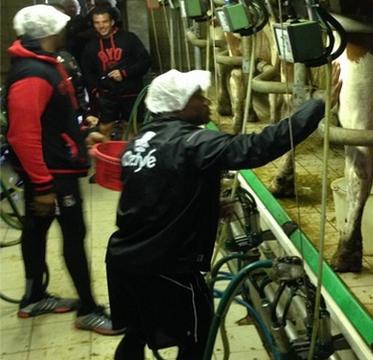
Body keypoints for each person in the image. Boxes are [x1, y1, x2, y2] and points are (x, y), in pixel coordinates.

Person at [105, 69, 340, 359]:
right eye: (198, 97)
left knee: (136, 333)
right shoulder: (192, 143)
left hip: (124, 261)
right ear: (178, 106)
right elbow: (255, 148)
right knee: (195, 341)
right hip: (166, 268)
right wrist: (317, 106)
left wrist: (207, 208)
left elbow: (155, 193)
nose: (208, 102)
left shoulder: (144, 138)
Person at [5, 4, 122, 335]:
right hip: (53, 175)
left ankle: (34, 297)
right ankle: (88, 309)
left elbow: (51, 121)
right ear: (48, 33)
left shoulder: (45, 65)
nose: (64, 31)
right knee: (74, 236)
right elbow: (22, 135)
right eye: (60, 27)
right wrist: (43, 187)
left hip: (51, 166)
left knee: (36, 229)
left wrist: (82, 134)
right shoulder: (32, 74)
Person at [81, 5, 150, 139]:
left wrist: (124, 73)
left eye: (105, 21)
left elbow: (145, 62)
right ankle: (106, 157)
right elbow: (87, 73)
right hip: (106, 96)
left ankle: (129, 157)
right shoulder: (90, 46)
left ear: (112, 22)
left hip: (131, 94)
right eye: (97, 23)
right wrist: (95, 92)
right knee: (104, 129)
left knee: (131, 129)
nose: (101, 26)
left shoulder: (129, 38)